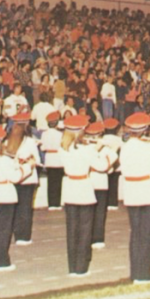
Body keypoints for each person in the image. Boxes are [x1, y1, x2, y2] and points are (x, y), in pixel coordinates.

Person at [119, 112, 150, 283]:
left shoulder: (125, 147)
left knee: (137, 234)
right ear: (146, 130)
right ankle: (144, 275)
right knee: (147, 235)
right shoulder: (147, 147)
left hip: (132, 192)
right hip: (148, 192)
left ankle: (136, 273)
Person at [0, 126, 34, 271]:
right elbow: (15, 177)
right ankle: (1, 262)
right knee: (4, 231)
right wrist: (28, 167)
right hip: (4, 195)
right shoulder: (3, 160)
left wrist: (17, 163)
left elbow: (7, 167)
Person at [59, 115, 106, 277]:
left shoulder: (63, 148)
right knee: (85, 231)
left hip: (70, 189)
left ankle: (72, 267)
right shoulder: (86, 149)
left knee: (72, 230)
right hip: (84, 189)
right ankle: (81, 267)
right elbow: (101, 165)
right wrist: (105, 151)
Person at [5, 112, 41, 245]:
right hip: (27, 177)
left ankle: (19, 234)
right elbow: (36, 159)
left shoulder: (8, 140)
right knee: (25, 208)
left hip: (20, 177)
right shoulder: (30, 141)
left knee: (19, 207)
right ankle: (23, 236)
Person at [85, 121, 118, 249]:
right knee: (99, 213)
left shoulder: (84, 147)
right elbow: (109, 169)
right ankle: (98, 239)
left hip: (89, 182)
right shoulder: (105, 149)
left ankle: (88, 238)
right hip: (101, 182)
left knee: (88, 213)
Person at [40, 111, 64, 210]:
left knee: (50, 182)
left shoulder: (44, 134)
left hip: (49, 158)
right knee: (58, 182)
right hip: (58, 158)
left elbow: (42, 148)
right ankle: (57, 203)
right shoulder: (60, 134)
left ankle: (51, 204)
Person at [102, 118, 123, 210]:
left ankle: (105, 202)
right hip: (116, 163)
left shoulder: (102, 139)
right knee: (114, 183)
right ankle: (113, 203)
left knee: (105, 183)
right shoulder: (119, 140)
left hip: (104, 163)